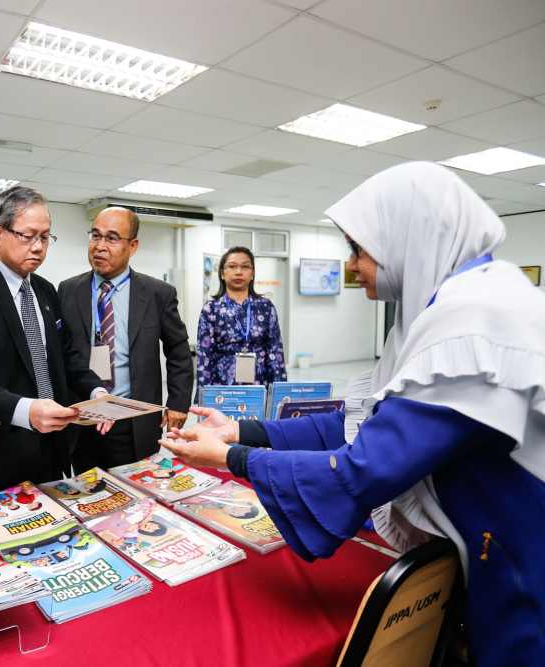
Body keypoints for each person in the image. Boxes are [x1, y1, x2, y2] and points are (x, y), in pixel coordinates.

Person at [161, 162, 545, 667]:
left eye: (359, 249)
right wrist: (243, 427)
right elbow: (359, 419)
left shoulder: (470, 321)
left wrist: (233, 457)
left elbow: (364, 466)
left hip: (519, 563)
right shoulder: (455, 303)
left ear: (405, 240)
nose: (352, 266)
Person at [0, 185, 109, 497]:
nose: (38, 247)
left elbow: (65, 357)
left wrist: (95, 390)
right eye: (27, 235)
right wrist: (25, 410)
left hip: (51, 451)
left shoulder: (45, 291)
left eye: (45, 237)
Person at [58, 206, 192, 471]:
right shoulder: (68, 290)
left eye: (111, 238)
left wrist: (178, 403)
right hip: (83, 418)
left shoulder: (157, 294)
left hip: (133, 419)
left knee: (138, 499)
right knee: (85, 496)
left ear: (133, 246)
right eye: (95, 236)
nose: (99, 246)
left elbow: (178, 350)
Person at [195, 247, 286, 389]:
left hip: (260, 385)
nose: (238, 272)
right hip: (223, 387)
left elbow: (276, 353)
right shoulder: (211, 309)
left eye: (245, 267)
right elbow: (204, 358)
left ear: (252, 274)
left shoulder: (266, 307)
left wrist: (280, 394)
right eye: (232, 266)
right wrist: (203, 398)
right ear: (222, 274)